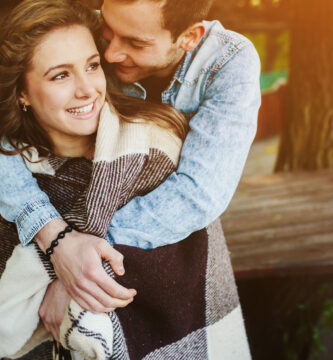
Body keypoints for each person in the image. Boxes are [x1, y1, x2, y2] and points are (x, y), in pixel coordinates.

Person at [0, 1, 251, 359]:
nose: (112, 53)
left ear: (188, 38)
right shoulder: (78, 30)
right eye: (106, 36)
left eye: (134, 43)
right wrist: (55, 238)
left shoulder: (226, 65)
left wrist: (77, 263)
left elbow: (198, 194)